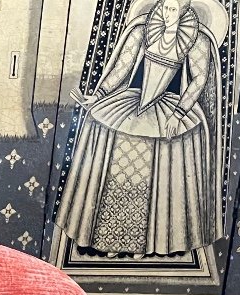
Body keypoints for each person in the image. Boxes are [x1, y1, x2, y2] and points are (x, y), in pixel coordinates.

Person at [56, 0, 224, 257]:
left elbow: (199, 79)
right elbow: (121, 68)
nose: (167, 14)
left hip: (170, 107)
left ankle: (144, 244)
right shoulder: (142, 29)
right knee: (119, 172)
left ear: (185, 11)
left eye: (173, 10)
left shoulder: (196, 39)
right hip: (133, 102)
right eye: (165, 7)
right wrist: (98, 95)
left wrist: (179, 114)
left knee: (151, 180)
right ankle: (112, 240)